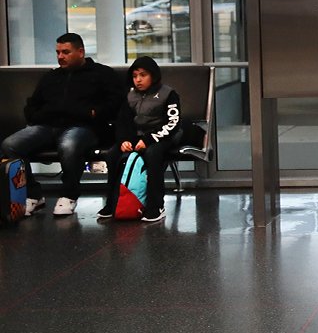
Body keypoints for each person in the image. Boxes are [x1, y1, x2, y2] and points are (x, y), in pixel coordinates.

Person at [0, 33, 123, 216]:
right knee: (10, 145)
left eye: (65, 52)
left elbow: (115, 103)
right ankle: (33, 194)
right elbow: (32, 105)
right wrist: (38, 117)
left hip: (85, 127)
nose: (60, 57)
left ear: (80, 52)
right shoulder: (52, 77)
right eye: (58, 52)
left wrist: (92, 113)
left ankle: (69, 194)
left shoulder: (101, 74)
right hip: (47, 126)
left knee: (69, 145)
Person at [98, 56, 182, 223]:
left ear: (153, 75)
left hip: (165, 135)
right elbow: (123, 121)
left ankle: (156, 206)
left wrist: (150, 139)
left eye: (143, 75)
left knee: (152, 154)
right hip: (138, 136)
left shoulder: (168, 94)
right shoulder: (130, 95)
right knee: (113, 154)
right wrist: (124, 140)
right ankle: (112, 203)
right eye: (135, 76)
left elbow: (173, 123)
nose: (138, 80)